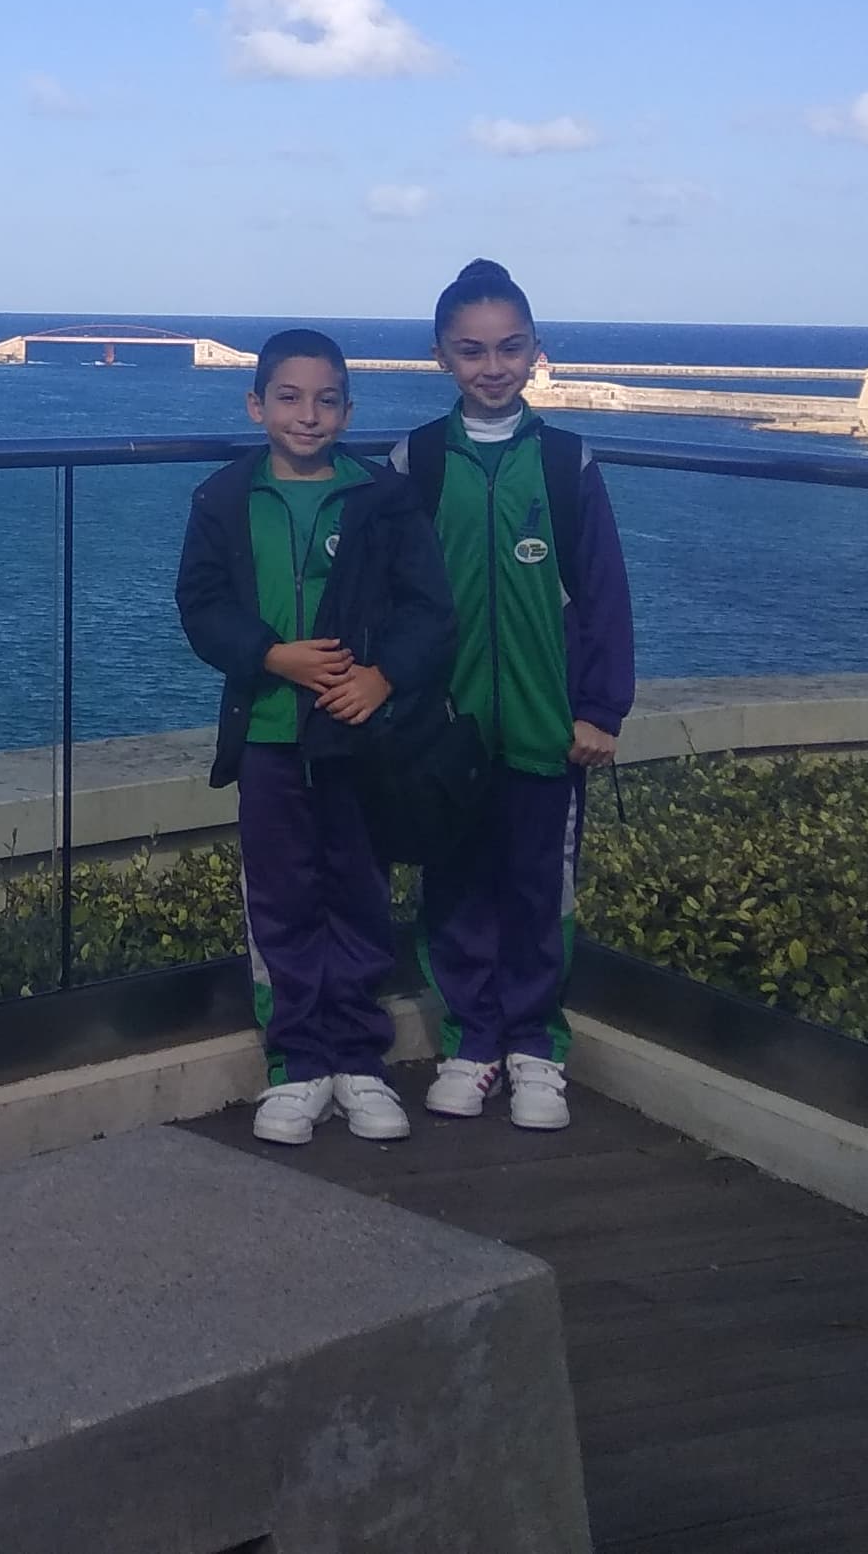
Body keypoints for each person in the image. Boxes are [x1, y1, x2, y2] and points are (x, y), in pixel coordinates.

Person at [177, 327, 458, 1144]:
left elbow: (428, 610)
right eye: (290, 398)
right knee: (282, 900)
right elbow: (201, 605)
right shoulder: (224, 497)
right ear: (256, 405)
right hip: (269, 735)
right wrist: (271, 655)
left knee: (359, 890)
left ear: (348, 410)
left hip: (358, 735)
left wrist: (383, 678)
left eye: (327, 400)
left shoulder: (383, 497)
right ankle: (298, 1064)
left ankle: (359, 1061)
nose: (308, 415)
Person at [395, 259, 637, 1132]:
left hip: (547, 727)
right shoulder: (418, 461)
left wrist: (600, 708)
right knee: (456, 887)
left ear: (537, 350)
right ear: (441, 356)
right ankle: (472, 1043)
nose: (492, 367)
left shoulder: (567, 463)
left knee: (540, 894)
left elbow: (604, 594)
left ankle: (537, 1047)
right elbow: (390, 597)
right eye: (471, 351)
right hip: (448, 733)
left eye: (509, 348)